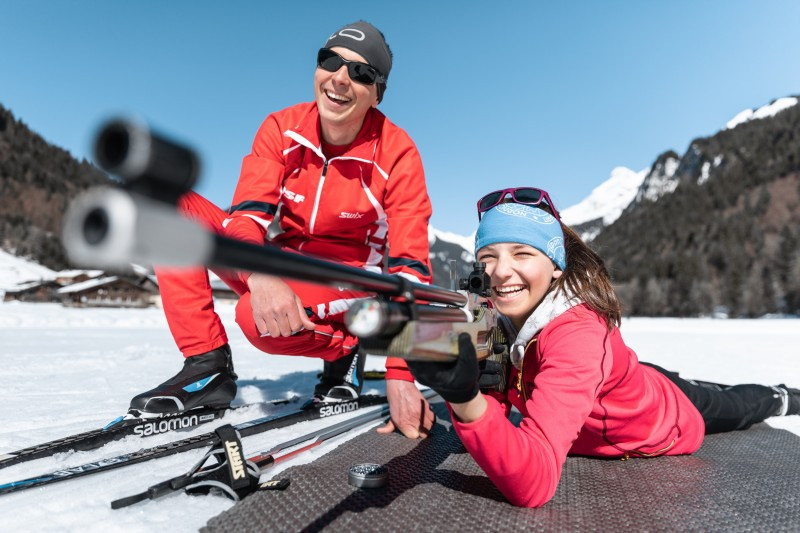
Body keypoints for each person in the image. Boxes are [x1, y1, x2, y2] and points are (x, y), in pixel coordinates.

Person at [130, 21, 436, 438]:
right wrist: (261, 274)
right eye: (330, 61)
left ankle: (349, 350)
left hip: (347, 281)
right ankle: (206, 365)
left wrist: (400, 373)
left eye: (361, 72)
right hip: (280, 261)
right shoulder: (282, 128)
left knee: (252, 318)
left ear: (377, 93)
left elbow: (410, 271)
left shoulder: (397, 152)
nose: (340, 78)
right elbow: (246, 217)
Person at [408, 187, 800, 507]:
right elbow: (492, 415)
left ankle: (784, 397)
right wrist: (458, 374)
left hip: (665, 415)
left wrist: (464, 399)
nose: (500, 271)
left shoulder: (577, 334)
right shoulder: (495, 318)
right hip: (625, 377)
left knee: (737, 404)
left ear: (556, 265)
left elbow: (533, 485)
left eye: (522, 253)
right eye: (487, 257)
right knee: (687, 383)